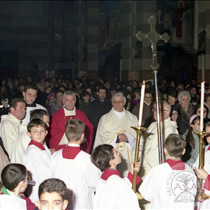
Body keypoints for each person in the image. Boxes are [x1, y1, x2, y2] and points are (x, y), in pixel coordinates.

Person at [50, 119, 101, 210]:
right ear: (82, 136)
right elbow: (97, 184)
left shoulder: (55, 156)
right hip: (81, 205)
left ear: (66, 135)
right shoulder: (87, 159)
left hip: (60, 204)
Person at [139, 134, 197, 209]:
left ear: (165, 150)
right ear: (183, 151)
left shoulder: (158, 171)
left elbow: (145, 193)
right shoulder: (190, 171)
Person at [94, 92, 138, 177]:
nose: (118, 104)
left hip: (128, 153)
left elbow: (137, 135)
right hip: (111, 155)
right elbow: (102, 135)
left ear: (124, 103)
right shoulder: (105, 118)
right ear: (112, 103)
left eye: (120, 101)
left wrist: (127, 137)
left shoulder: (133, 118)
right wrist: (117, 137)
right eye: (115, 102)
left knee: (127, 178)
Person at [91, 144, 141, 209]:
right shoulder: (117, 182)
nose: (118, 153)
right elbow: (128, 206)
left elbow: (120, 187)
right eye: (115, 152)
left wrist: (132, 172)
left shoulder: (103, 177)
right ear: (112, 161)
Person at [139, 101, 179, 180]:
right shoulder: (152, 125)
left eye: (159, 110)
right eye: (154, 109)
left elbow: (159, 152)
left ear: (167, 113)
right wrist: (138, 151)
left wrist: (141, 157)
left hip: (152, 165)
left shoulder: (170, 129)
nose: (155, 112)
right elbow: (141, 141)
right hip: (143, 161)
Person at [23, 119, 52, 205]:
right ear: (29, 134)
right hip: (39, 190)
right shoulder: (33, 151)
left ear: (46, 132)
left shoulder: (42, 146)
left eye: (41, 131)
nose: (39, 134)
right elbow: (43, 174)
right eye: (35, 131)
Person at [193, 121, 210, 209]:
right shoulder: (204, 150)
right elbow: (195, 166)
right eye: (206, 133)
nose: (207, 136)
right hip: (203, 191)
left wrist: (207, 176)